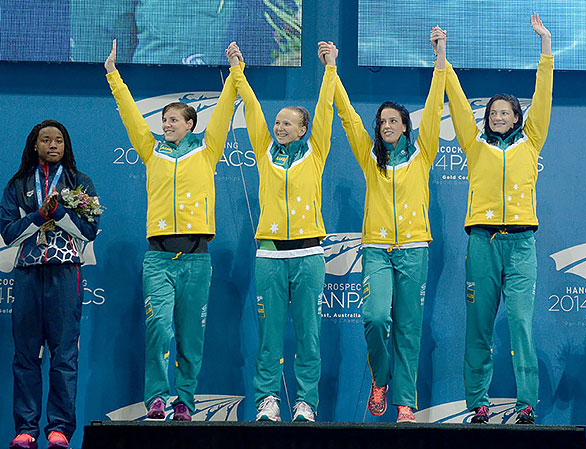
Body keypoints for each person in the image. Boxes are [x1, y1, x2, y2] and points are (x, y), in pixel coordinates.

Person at [104, 39, 237, 421]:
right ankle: (158, 398)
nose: (166, 125)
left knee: (191, 340)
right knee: (159, 329)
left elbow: (226, 112)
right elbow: (131, 115)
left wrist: (233, 73)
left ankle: (186, 402)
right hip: (158, 258)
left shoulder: (208, 151)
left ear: (190, 124)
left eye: (173, 120)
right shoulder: (151, 150)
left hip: (196, 260)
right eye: (163, 120)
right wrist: (114, 75)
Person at [325, 28, 446, 423]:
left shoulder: (423, 153)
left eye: (393, 120)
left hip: (413, 250)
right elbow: (345, 117)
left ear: (406, 126)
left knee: (409, 331)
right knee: (377, 317)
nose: (386, 126)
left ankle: (405, 403)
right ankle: (381, 380)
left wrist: (439, 59)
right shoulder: (369, 158)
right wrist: (333, 69)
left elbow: (435, 103)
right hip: (376, 249)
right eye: (381, 121)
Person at [440, 13, 552, 424]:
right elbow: (454, 97)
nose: (498, 116)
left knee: (521, 324)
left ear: (518, 117)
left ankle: (526, 404)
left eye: (506, 112)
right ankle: (478, 403)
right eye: (493, 112)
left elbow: (544, 96)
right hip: (481, 243)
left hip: (521, 243)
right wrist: (444, 58)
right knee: (479, 327)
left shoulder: (532, 140)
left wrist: (545, 45)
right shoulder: (474, 144)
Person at [225, 41, 337, 423]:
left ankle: (306, 402)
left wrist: (330, 69)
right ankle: (268, 400)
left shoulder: (315, 151)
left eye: (287, 123)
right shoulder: (264, 150)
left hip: (308, 256)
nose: (279, 127)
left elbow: (326, 110)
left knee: (309, 336)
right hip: (270, 255)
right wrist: (238, 70)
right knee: (269, 338)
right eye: (277, 123)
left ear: (303, 129)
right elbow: (252, 110)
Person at [1, 120, 100, 449]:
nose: (53, 145)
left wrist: (58, 213)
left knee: (64, 356)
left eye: (58, 140)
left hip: (64, 274)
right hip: (28, 273)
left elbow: (88, 232)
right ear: (35, 145)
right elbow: (8, 232)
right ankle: (25, 429)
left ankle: (59, 430)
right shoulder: (18, 184)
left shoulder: (79, 181)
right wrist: (38, 216)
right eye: (46, 140)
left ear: (65, 145)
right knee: (26, 356)